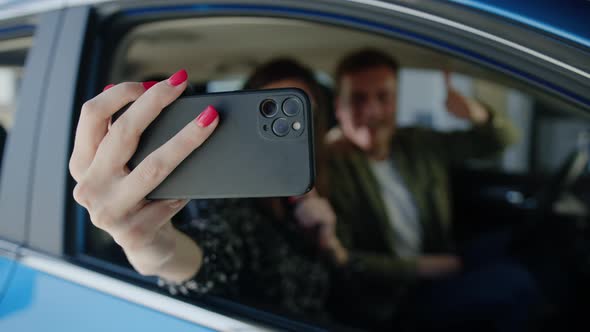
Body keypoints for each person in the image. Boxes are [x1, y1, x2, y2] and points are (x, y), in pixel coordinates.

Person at [70, 61, 346, 322]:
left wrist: (330, 244)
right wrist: (153, 248)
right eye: (268, 108)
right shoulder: (231, 202)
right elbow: (211, 255)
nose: (285, 126)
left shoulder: (328, 183)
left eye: (299, 114)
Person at [325, 48, 539, 331]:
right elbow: (345, 260)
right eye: (358, 99)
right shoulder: (329, 167)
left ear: (396, 101)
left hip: (439, 258)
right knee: (515, 284)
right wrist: (425, 267)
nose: (372, 111)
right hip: (392, 300)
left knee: (519, 242)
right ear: (339, 106)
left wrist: (474, 112)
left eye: (383, 97)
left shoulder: (417, 143)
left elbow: (503, 138)